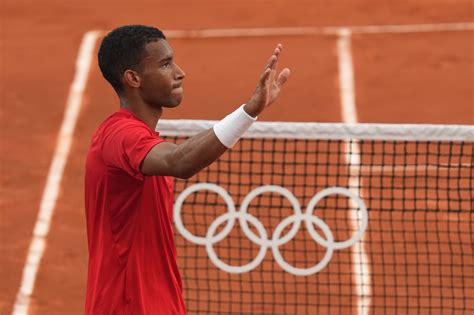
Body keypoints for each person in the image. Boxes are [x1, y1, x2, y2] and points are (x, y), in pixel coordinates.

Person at [84, 24, 290, 314]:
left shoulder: (139, 137)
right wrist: (248, 111)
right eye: (165, 64)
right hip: (129, 305)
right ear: (133, 78)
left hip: (159, 302)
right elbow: (179, 161)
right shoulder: (119, 135)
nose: (180, 72)